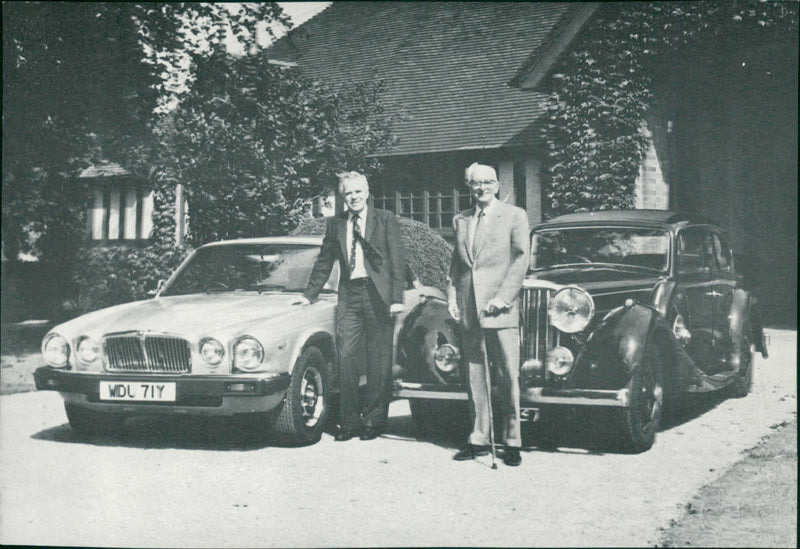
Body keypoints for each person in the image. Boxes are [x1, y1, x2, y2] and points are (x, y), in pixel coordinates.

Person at [292, 171, 407, 441]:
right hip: (350, 296)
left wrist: (397, 299)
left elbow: (397, 261)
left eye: (358, 192)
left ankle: (373, 422)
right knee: (346, 358)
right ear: (343, 197)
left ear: (367, 193)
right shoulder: (336, 225)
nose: (354, 197)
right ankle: (349, 422)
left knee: (378, 362)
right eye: (348, 194)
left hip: (379, 297)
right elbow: (324, 262)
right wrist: (309, 295)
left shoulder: (385, 220)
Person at [447, 163, 530, 466]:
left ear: (497, 185)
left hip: (501, 309)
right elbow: (457, 264)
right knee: (475, 375)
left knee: (508, 375)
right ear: (469, 187)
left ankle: (512, 440)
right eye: (475, 183)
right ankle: (478, 437)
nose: (481, 188)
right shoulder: (461, 220)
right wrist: (453, 296)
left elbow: (521, 259)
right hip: (471, 308)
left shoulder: (514, 215)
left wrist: (503, 297)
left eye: (487, 182)